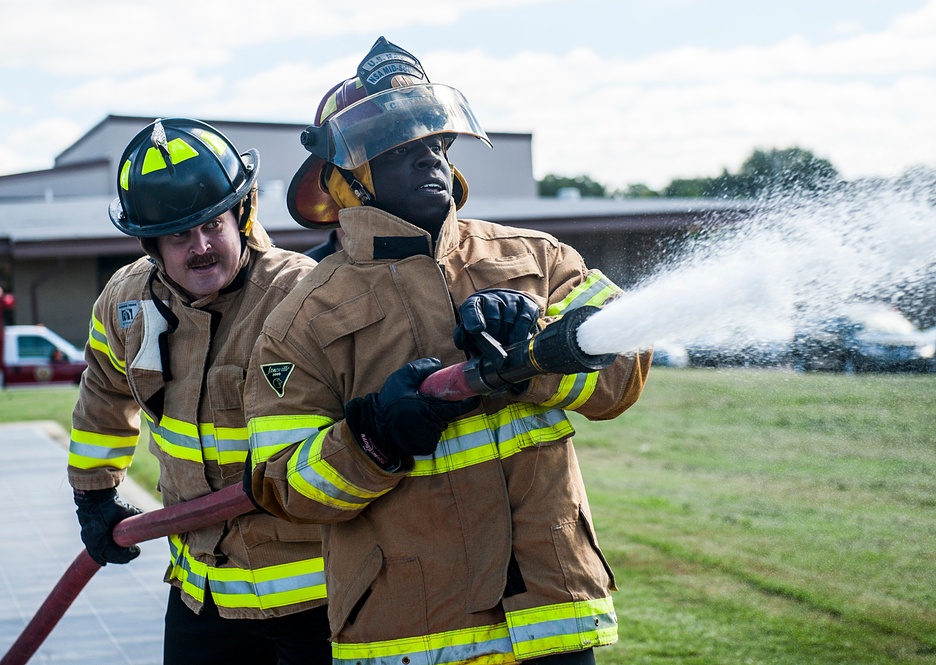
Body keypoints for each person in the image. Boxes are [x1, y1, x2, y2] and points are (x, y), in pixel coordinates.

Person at [244, 37, 651, 664]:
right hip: (411, 634)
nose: (429, 157)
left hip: (550, 612)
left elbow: (624, 373)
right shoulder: (300, 317)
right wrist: (375, 437)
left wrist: (537, 349)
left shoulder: (536, 259)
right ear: (347, 178)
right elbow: (284, 485)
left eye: (436, 142)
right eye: (401, 147)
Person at [66, 118, 331, 665]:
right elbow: (103, 396)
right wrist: (93, 496)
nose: (201, 247)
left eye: (213, 224)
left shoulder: (302, 294)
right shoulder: (126, 302)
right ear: (151, 244)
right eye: (179, 235)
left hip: (315, 597)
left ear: (243, 214)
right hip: (200, 591)